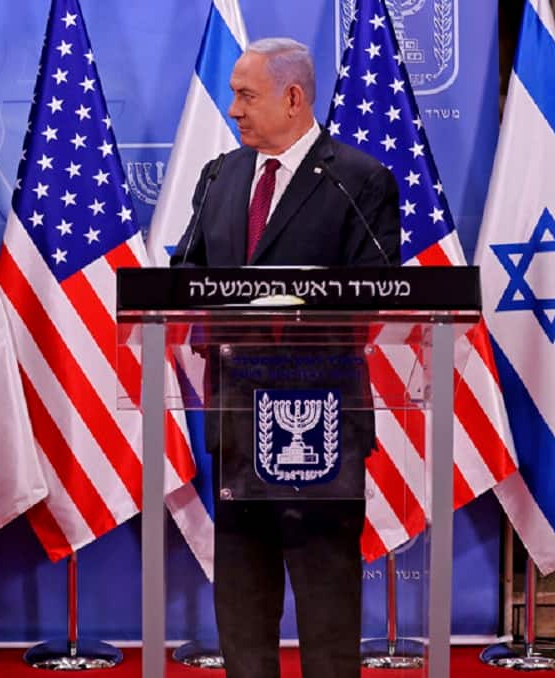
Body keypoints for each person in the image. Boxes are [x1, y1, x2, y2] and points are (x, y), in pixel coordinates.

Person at [171, 38, 401, 678]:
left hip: (320, 420)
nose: (234, 109)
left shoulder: (360, 180)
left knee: (327, 606)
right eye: (233, 95)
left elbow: (373, 295)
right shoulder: (220, 176)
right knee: (243, 606)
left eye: (247, 95)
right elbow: (184, 277)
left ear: (294, 97)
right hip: (236, 421)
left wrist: (270, 311)